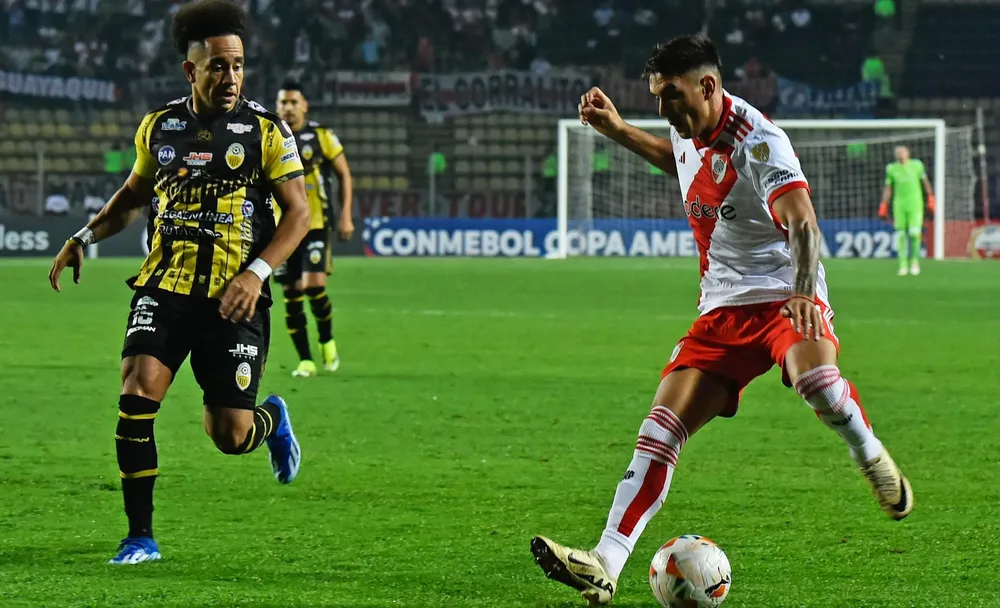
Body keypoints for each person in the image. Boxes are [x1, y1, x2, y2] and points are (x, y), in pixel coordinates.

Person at [529, 35, 913, 605]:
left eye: (671, 95)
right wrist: (618, 131)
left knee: (820, 387)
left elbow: (803, 222)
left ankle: (869, 453)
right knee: (660, 430)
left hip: (785, 294)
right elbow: (682, 166)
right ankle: (604, 561)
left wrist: (805, 292)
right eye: (656, 96)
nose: (662, 109)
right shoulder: (690, 130)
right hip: (722, 309)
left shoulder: (759, 142)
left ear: (708, 87)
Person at [47, 0, 311, 566]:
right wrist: (83, 236)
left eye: (238, 64)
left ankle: (271, 418)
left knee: (229, 435)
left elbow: (298, 215)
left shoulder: (267, 130)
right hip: (164, 286)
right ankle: (140, 537)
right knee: (136, 392)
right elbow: (132, 197)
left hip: (233, 297)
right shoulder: (160, 126)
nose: (230, 77)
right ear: (190, 71)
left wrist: (257, 273)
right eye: (217, 66)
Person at [274, 78, 355, 377]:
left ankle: (326, 340)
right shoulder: (269, 136)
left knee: (313, 285)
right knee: (292, 294)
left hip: (315, 223)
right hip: (281, 229)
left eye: (294, 102)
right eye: (283, 102)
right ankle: (305, 360)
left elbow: (344, 174)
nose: (288, 108)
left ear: (305, 105)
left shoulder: (321, 136)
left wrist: (346, 215)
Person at [879, 145, 934, 276]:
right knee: (901, 235)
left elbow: (925, 181)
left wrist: (931, 197)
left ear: (908, 153)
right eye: (897, 152)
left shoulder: (917, 165)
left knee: (915, 234)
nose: (900, 153)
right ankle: (903, 264)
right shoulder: (891, 168)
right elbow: (888, 187)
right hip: (899, 204)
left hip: (915, 203)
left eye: (902, 151)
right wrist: (883, 204)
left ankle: (914, 262)